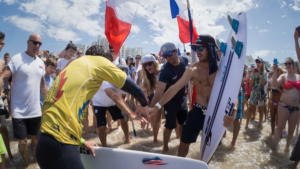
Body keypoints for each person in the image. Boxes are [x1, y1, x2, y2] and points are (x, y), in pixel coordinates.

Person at [35, 45, 149, 169]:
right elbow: (132, 87)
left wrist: (82, 142)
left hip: (45, 142)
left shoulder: (74, 64)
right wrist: (144, 105)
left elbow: (61, 114)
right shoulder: (100, 62)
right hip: (60, 145)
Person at [149, 35, 235, 157]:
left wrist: (233, 110)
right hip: (199, 110)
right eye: (195, 49)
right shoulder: (193, 69)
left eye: (200, 48)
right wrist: (157, 106)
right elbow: (174, 88)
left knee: (210, 147)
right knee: (184, 143)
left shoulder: (223, 68)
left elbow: (233, 90)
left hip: (216, 112)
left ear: (210, 48)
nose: (197, 52)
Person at [0, 33, 48, 167]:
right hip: (18, 110)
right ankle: (26, 163)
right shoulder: (17, 59)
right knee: (22, 142)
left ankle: (35, 162)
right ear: (28, 42)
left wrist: (50, 101)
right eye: (34, 42)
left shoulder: (40, 63)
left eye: (39, 44)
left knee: (36, 139)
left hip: (35, 109)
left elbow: (43, 85)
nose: (37, 46)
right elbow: (3, 78)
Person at [148, 42, 189, 152]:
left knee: (183, 124)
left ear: (176, 51)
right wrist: (151, 108)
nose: (167, 58)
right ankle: (165, 147)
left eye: (170, 54)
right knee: (169, 126)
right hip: (170, 101)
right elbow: (160, 90)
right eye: (165, 56)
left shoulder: (185, 60)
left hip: (183, 99)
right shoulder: (165, 69)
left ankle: (181, 143)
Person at [92, 80, 131, 146]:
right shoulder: (103, 79)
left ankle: (128, 139)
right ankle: (104, 146)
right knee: (102, 127)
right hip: (98, 102)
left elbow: (125, 95)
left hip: (113, 101)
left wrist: (126, 102)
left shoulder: (120, 81)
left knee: (123, 119)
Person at [273, 58, 300, 150]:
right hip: (284, 105)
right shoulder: (283, 76)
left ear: (293, 65)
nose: (288, 65)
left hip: (296, 108)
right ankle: (274, 151)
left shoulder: (298, 77)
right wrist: (275, 70)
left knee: (291, 132)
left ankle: (286, 150)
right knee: (280, 128)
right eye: (286, 63)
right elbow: (274, 84)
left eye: (289, 63)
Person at [140, 55, 161, 142]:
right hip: (154, 95)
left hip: (165, 96)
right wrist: (143, 102)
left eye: (149, 64)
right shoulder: (146, 76)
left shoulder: (163, 71)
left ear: (155, 63)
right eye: (145, 65)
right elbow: (143, 89)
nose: (147, 67)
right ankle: (155, 140)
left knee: (161, 118)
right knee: (155, 116)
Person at [245, 58, 267, 129]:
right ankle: (246, 125)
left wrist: (259, 75)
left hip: (261, 93)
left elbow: (264, 84)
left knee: (261, 111)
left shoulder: (265, 73)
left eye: (259, 62)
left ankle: (259, 125)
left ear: (262, 63)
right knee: (250, 109)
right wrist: (253, 73)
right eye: (257, 62)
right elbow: (251, 83)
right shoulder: (253, 72)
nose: (257, 63)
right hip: (254, 92)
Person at [231, 68, 247, 146]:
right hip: (228, 91)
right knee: (222, 117)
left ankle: (233, 142)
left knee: (236, 119)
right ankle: (223, 136)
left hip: (238, 92)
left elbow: (244, 78)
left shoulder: (240, 66)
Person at [0, 31, 8, 169]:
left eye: (3, 43)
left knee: (4, 127)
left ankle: (10, 151)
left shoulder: (1, 63)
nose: (1, 46)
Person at [269, 68, 284, 135]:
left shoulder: (283, 81)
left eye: (278, 70)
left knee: (279, 120)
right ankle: (272, 133)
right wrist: (269, 87)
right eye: (276, 70)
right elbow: (270, 90)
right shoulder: (273, 80)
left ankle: (279, 135)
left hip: (280, 102)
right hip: (272, 101)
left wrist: (277, 87)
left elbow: (283, 93)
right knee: (272, 118)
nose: (277, 71)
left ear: (281, 72)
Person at [3, 53, 11, 119]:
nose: (6, 58)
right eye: (5, 57)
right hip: (3, 86)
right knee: (2, 101)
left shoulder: (10, 66)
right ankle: (3, 115)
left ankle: (10, 116)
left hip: (8, 86)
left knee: (9, 101)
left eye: (7, 57)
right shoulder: (2, 65)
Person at [294, 61, 300, 136]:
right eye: (294, 65)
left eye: (296, 65)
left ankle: (297, 129)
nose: (295, 66)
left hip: (298, 97)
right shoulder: (290, 75)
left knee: (298, 114)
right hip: (291, 97)